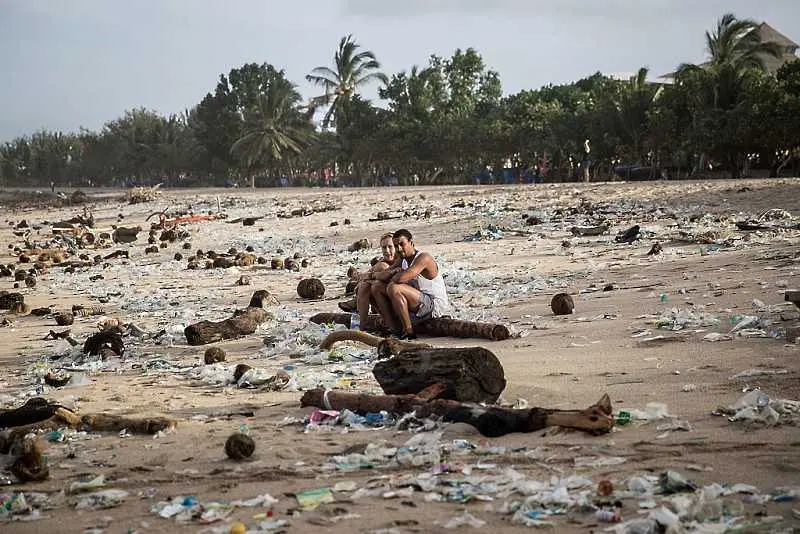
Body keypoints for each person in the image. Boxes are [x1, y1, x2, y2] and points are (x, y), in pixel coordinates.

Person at [371, 229, 450, 340]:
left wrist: (391, 274)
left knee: (394, 288)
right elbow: (383, 275)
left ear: (411, 243)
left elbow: (401, 278)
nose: (399, 249)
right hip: (417, 302)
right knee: (376, 287)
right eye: (396, 245)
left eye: (402, 244)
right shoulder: (402, 259)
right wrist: (383, 274)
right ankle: (394, 330)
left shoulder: (423, 258)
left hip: (433, 305)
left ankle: (409, 331)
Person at [338, 233, 397, 320]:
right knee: (366, 284)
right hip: (386, 296)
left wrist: (367, 278)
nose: (387, 251)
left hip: (399, 298)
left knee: (375, 278)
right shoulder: (384, 260)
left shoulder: (401, 259)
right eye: (384, 248)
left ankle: (357, 305)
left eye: (390, 247)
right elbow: (368, 274)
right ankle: (361, 321)